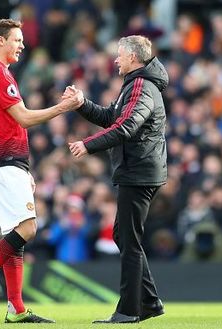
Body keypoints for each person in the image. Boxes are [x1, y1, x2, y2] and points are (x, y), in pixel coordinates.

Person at [0, 18, 83, 323]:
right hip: (2, 161)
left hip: (7, 161)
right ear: (0, 41)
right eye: (17, 39)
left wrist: (23, 166)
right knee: (28, 228)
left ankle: (16, 307)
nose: (22, 45)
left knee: (17, 233)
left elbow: (12, 123)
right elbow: (24, 118)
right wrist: (62, 108)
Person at [67, 35, 168, 323]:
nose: (116, 59)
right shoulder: (137, 84)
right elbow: (113, 117)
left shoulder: (141, 85)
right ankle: (149, 302)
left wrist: (88, 145)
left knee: (129, 239)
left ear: (134, 58)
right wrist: (82, 103)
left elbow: (126, 126)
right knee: (124, 235)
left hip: (139, 171)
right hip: (139, 169)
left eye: (120, 55)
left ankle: (128, 311)